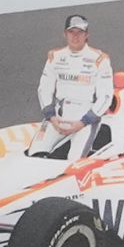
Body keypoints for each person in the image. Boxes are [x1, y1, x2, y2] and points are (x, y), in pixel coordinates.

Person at [32, 13, 115, 156]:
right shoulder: (55, 57)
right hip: (57, 119)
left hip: (85, 121)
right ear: (65, 34)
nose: (75, 36)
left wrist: (83, 122)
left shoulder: (100, 59)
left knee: (74, 161)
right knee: (34, 154)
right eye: (71, 32)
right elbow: (44, 89)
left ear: (87, 35)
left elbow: (106, 97)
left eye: (80, 32)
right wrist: (51, 117)